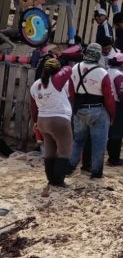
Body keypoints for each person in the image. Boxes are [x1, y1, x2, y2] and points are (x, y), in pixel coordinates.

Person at [68, 43, 116, 179]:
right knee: (98, 143)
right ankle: (95, 172)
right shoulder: (102, 73)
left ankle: (70, 167)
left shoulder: (75, 68)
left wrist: (75, 108)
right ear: (98, 55)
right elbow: (109, 98)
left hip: (79, 109)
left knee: (78, 141)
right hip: (97, 110)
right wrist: (112, 115)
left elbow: (71, 93)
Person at [30, 57, 73, 195]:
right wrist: (62, 61)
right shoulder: (56, 80)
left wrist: (35, 122)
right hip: (59, 120)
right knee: (64, 151)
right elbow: (69, 69)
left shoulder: (35, 85)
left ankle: (51, 179)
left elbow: (33, 108)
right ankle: (59, 181)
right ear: (56, 70)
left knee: (49, 151)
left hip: (43, 121)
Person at [105, 53, 123, 167]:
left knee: (111, 132)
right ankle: (114, 159)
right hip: (118, 106)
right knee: (117, 133)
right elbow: (122, 94)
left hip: (107, 103)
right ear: (121, 63)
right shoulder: (119, 75)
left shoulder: (107, 72)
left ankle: (112, 156)